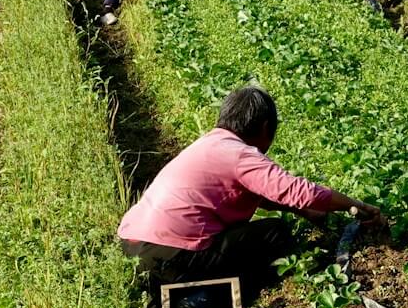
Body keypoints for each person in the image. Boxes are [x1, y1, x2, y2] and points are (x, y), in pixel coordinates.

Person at [119, 86, 383, 292]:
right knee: (275, 235)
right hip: (173, 255)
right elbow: (300, 191)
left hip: (134, 245)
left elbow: (263, 197)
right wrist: (357, 206)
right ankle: (237, 293)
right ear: (266, 128)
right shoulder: (240, 155)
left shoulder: (210, 145)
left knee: (242, 233)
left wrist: (308, 213)